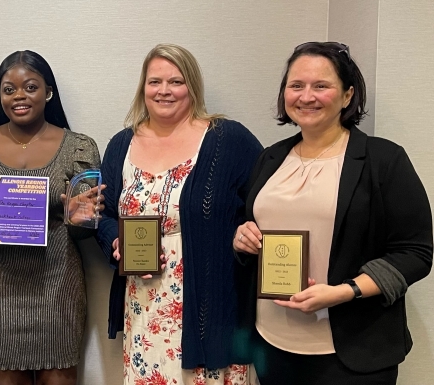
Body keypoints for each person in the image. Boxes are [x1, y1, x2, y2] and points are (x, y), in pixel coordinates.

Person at [233, 42, 433, 385]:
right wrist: (243, 241)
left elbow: (416, 253)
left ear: (347, 95)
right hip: (272, 343)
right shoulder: (270, 158)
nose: (306, 96)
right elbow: (254, 233)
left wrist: (344, 291)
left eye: (321, 86)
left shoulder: (383, 160)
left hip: (351, 352)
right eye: (296, 86)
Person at [96, 43, 262, 384]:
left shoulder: (226, 139)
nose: (164, 91)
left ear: (193, 86)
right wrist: (114, 240)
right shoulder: (121, 144)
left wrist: (248, 233)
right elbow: (104, 214)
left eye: (176, 81)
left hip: (209, 308)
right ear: (143, 87)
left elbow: (268, 198)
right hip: (144, 307)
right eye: (155, 81)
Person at [0, 50, 101, 385]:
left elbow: (85, 233)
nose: (19, 96)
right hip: (0, 285)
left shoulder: (80, 147)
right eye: (8, 89)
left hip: (58, 281)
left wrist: (82, 217)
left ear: (48, 92)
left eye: (30, 87)